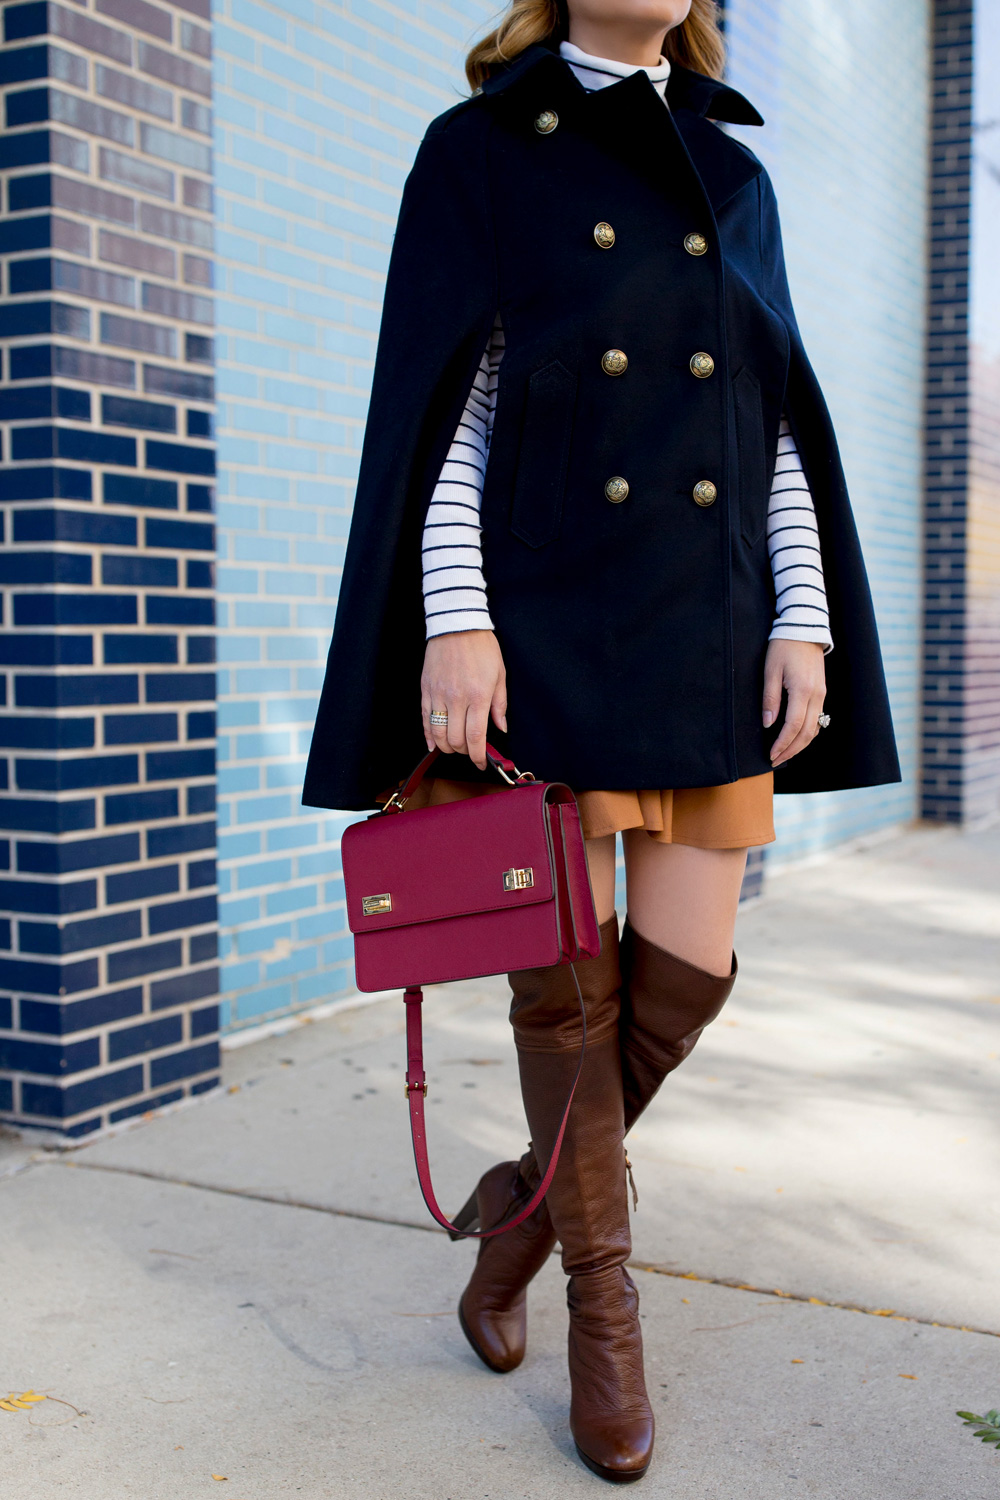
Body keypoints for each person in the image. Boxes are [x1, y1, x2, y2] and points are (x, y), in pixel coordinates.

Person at [304, 0, 899, 1482]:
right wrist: (456, 618)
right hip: (545, 626)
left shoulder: (733, 173)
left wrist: (804, 618)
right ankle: (602, 1311)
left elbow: (770, 426)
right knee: (567, 1000)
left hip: (710, 627)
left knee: (685, 981)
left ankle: (512, 1216)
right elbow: (451, 408)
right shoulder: (478, 153)